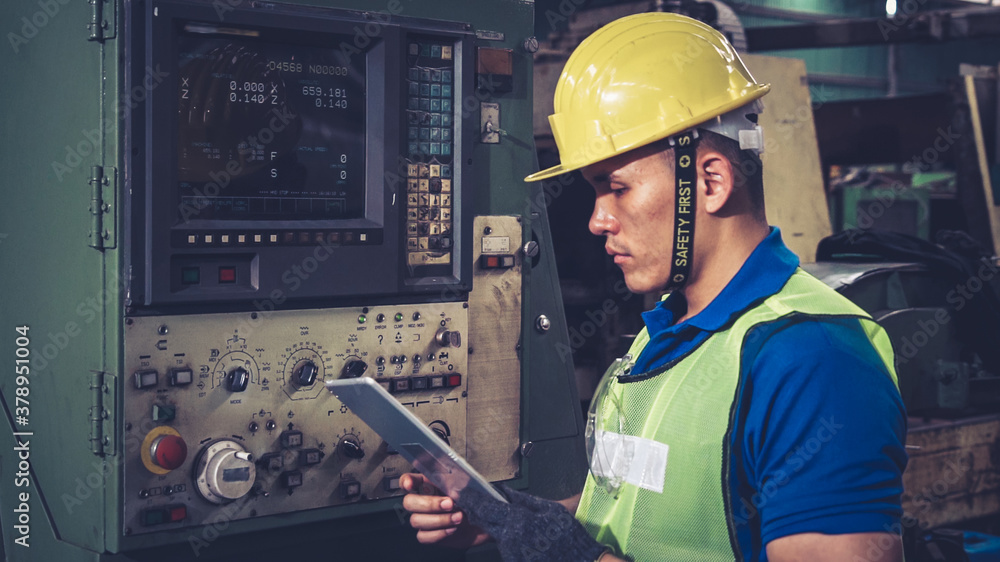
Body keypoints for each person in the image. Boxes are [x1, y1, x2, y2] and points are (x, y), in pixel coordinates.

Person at [402, 12, 907, 562]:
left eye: (616, 188)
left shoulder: (814, 360)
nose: (597, 221)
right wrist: (517, 521)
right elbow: (649, 512)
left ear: (710, 182)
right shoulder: (670, 333)